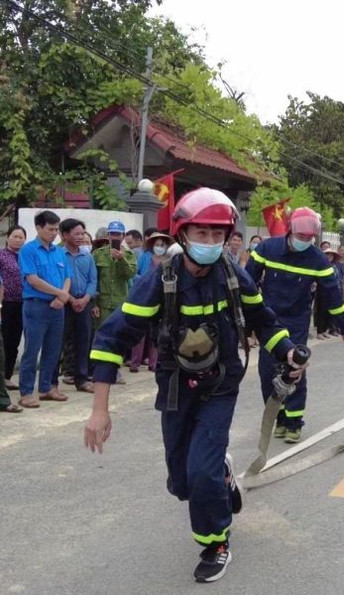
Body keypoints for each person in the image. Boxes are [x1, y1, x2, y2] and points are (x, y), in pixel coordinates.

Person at [84, 188, 304, 583]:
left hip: (220, 385)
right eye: (201, 234)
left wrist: (286, 350)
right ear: (183, 235)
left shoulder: (233, 277)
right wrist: (99, 410)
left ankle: (215, 542)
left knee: (200, 473)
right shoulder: (160, 281)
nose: (209, 243)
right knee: (182, 481)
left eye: (217, 235)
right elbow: (112, 338)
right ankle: (220, 474)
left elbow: (264, 320)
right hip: (175, 386)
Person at [246, 207, 344, 443]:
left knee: (294, 370)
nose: (305, 241)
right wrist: (245, 320)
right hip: (268, 320)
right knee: (267, 372)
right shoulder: (267, 249)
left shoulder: (317, 259)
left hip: (297, 321)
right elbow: (247, 283)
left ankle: (294, 422)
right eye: (301, 237)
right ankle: (280, 418)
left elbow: (332, 295)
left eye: (310, 238)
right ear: (290, 230)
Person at [18, 211, 71, 408]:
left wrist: (62, 295)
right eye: (50, 229)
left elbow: (68, 276)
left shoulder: (59, 251)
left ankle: (47, 387)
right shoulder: (29, 250)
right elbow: (32, 279)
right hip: (36, 306)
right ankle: (25, 392)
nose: (54, 233)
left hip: (57, 308)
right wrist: (60, 293)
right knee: (32, 350)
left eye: (56, 229)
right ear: (39, 228)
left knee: (53, 349)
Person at [54, 218, 97, 394]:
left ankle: (82, 379)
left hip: (84, 303)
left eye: (82, 233)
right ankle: (51, 382)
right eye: (76, 233)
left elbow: (93, 280)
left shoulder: (87, 256)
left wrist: (85, 298)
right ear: (65, 235)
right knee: (58, 342)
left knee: (83, 341)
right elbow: (57, 280)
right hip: (63, 303)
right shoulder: (57, 254)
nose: (80, 237)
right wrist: (71, 299)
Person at [129, 232, 175, 372]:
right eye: (157, 244)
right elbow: (134, 273)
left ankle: (154, 363)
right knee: (140, 331)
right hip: (144, 296)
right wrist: (145, 280)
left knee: (157, 332)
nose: (159, 247)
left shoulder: (169, 260)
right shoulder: (145, 256)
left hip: (162, 299)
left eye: (162, 245)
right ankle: (134, 363)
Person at [92, 220, 137, 329]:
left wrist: (121, 259)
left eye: (118, 234)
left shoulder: (129, 255)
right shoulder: (98, 254)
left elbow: (130, 274)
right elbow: (93, 279)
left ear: (123, 236)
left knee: (118, 334)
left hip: (120, 303)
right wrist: (94, 304)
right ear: (108, 235)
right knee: (101, 335)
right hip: (102, 305)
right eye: (112, 234)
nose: (115, 237)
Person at [0, 225, 26, 389]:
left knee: (14, 340)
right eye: (15, 236)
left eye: (21, 237)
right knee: (4, 339)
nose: (17, 239)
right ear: (8, 237)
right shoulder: (1, 256)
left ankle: (8, 376)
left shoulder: (26, 257)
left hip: (22, 303)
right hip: (5, 303)